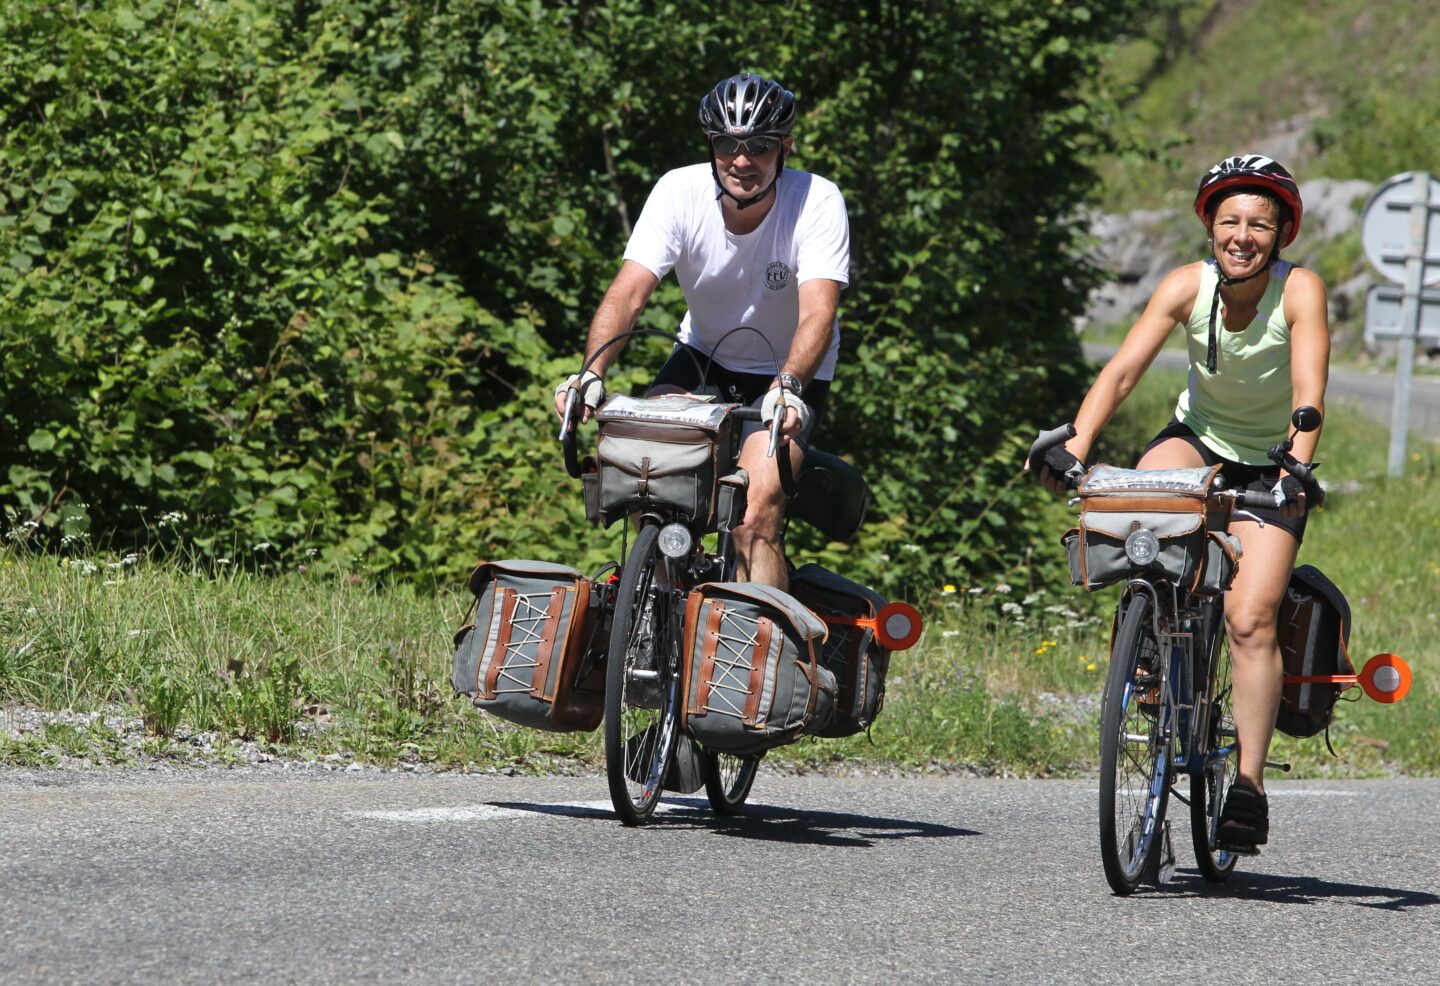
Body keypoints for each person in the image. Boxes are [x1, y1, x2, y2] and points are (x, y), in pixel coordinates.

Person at [1030, 154, 1329, 852]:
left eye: (1260, 223)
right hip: (1196, 439)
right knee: (1140, 504)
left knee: (1251, 617)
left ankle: (1248, 788)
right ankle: (1151, 650)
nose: (1243, 234)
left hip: (1275, 460)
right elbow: (1124, 368)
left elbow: (1309, 386)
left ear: (1281, 232)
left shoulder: (1299, 291)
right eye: (1230, 221)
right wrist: (1074, 445)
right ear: (1211, 226)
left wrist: (1297, 466)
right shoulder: (1185, 286)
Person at [552, 71, 850, 591]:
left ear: (784, 146)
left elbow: (818, 312)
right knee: (652, 485)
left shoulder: (817, 201)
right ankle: (654, 636)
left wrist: (789, 385)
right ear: (711, 146)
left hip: (788, 372)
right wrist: (591, 371)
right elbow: (629, 291)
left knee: (753, 518)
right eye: (726, 144)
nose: (742, 160)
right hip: (703, 355)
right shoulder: (678, 191)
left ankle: (758, 656)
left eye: (758, 145)